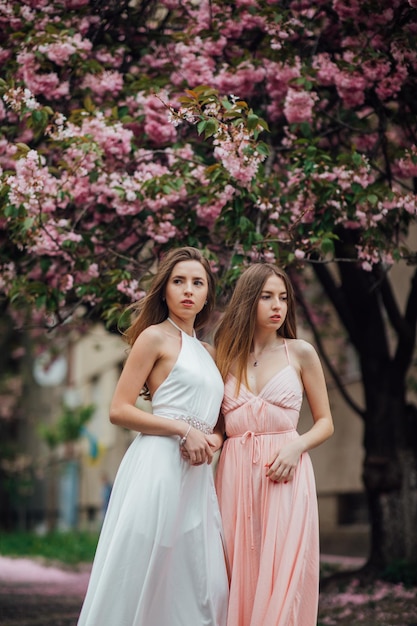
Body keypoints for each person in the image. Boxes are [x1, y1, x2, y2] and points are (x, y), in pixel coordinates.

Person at [77, 247, 229, 626]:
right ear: (164, 290)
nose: (188, 290)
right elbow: (119, 409)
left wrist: (216, 439)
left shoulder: (210, 352)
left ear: (208, 294)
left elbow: (221, 420)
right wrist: (183, 430)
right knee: (144, 567)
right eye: (178, 281)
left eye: (198, 283)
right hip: (157, 465)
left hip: (197, 476)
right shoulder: (153, 338)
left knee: (200, 581)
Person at [213, 263, 334, 626]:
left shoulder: (300, 353)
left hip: (285, 474)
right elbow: (219, 426)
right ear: (248, 300)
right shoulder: (223, 355)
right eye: (266, 296)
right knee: (236, 568)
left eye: (282, 297)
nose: (276, 305)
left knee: (284, 570)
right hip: (234, 475)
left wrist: (296, 448)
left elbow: (325, 422)